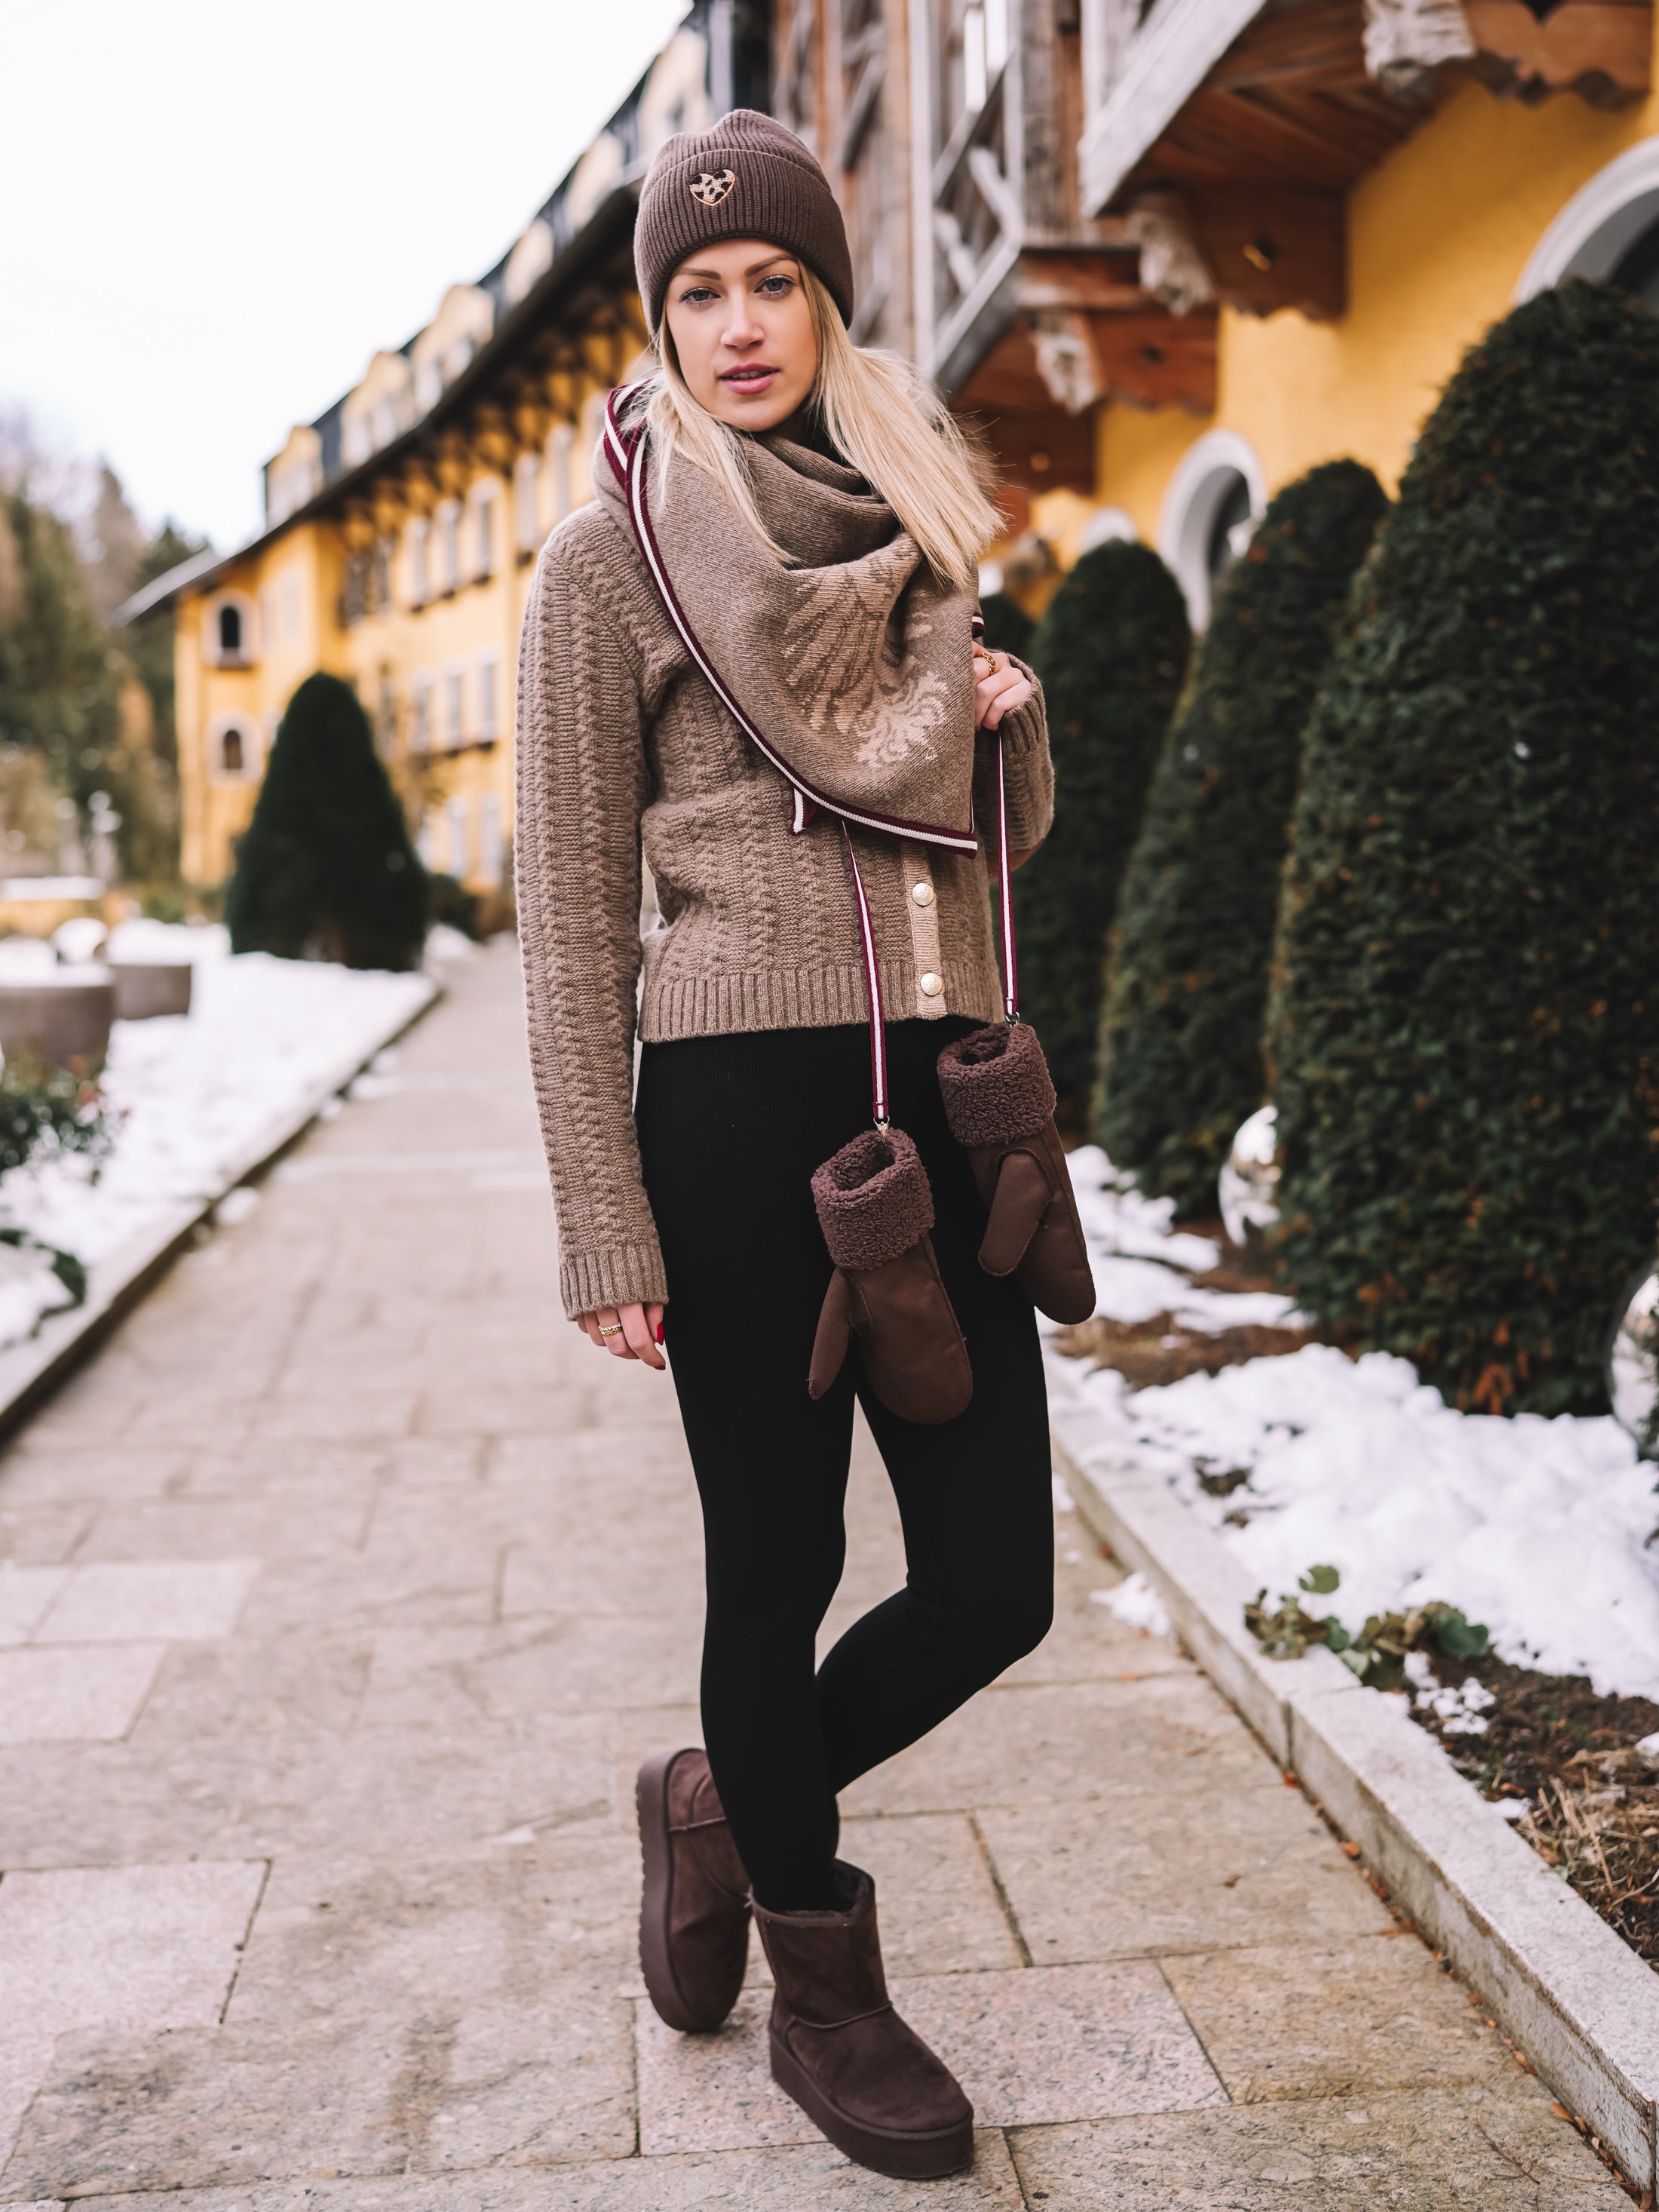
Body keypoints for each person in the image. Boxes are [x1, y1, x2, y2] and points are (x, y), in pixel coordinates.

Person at [516, 109, 1056, 2182]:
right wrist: (605, 1219)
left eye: (773, 284)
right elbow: (573, 917)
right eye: (698, 293)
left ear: (828, 301)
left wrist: (1006, 720)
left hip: (943, 1097)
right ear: (662, 324)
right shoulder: (613, 560)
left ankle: (721, 1805)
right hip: (740, 1116)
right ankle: (826, 1992)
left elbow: (990, 848)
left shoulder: (916, 519)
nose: (737, 324)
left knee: (994, 1584)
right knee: (783, 1562)